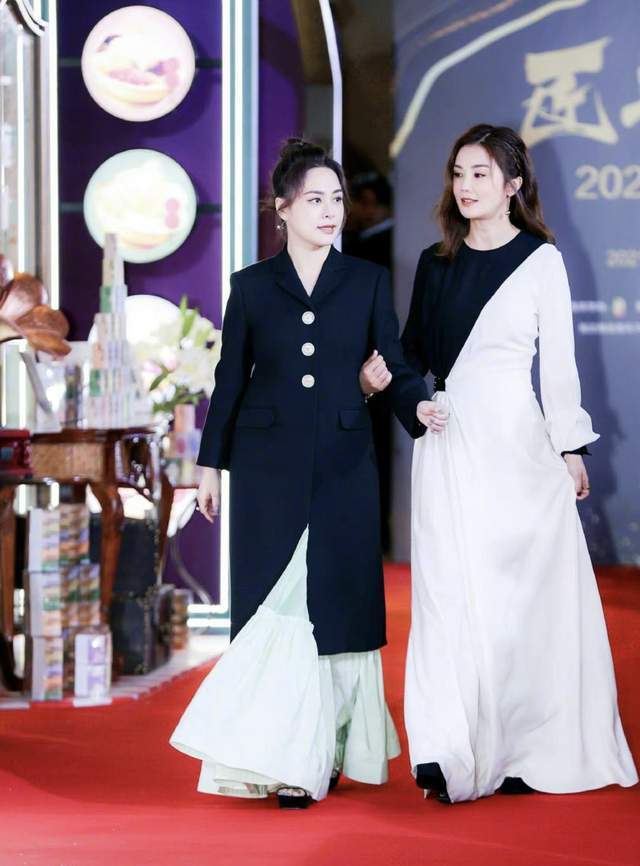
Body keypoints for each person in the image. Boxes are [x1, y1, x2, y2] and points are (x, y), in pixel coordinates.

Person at [169, 139, 428, 808]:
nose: (330, 210)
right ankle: (281, 755)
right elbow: (230, 380)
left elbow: (393, 366)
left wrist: (415, 406)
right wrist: (209, 466)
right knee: (273, 603)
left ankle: (326, 747)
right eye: (315, 199)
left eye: (336, 198)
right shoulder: (252, 286)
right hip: (266, 467)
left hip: (345, 464)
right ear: (282, 209)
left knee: (337, 605)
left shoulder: (367, 280)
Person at [397, 124, 638, 803]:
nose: (466, 186)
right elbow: (412, 354)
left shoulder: (541, 261)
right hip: (448, 443)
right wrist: (412, 399)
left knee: (517, 601)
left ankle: (524, 747)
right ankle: (449, 748)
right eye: (458, 173)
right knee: (447, 595)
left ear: (513, 184)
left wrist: (570, 447)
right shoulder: (436, 262)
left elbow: (558, 367)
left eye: (481, 173)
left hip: (516, 448)